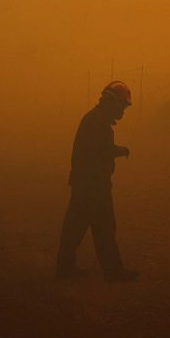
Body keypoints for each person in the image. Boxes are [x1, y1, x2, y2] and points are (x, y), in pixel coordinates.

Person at [56, 81, 139, 282]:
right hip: (94, 186)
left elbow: (96, 150)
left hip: (84, 184)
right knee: (104, 229)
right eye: (121, 106)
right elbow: (100, 153)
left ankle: (65, 269)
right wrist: (120, 151)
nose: (122, 111)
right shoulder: (99, 124)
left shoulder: (94, 120)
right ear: (111, 103)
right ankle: (114, 273)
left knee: (75, 227)